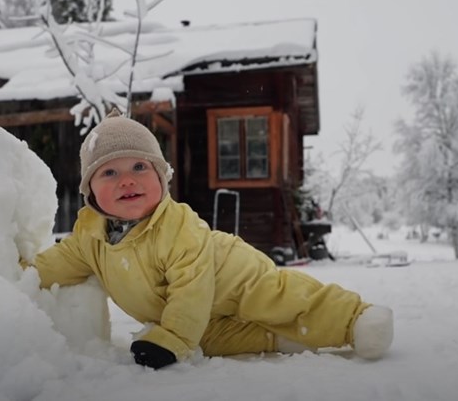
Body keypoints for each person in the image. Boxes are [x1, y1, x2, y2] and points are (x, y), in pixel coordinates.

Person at [21, 110, 394, 369]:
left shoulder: (179, 227)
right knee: (211, 341)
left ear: (162, 177)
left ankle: (355, 319)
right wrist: (19, 272)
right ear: (91, 192)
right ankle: (279, 339)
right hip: (198, 315)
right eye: (109, 172)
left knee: (280, 298)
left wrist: (171, 341)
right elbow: (54, 265)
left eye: (139, 167)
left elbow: (190, 292)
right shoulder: (89, 238)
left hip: (234, 277)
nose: (127, 180)